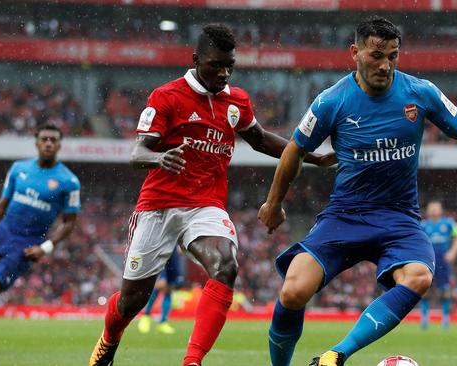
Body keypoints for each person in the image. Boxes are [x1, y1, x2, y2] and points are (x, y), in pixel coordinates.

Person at [258, 16, 457, 366]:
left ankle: (335, 355)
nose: (386, 65)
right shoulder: (332, 101)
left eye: (393, 55)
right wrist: (273, 204)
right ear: (355, 53)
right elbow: (293, 150)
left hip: (398, 218)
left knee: (420, 276)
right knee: (293, 290)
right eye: (376, 55)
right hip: (344, 215)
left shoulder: (419, 92)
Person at [88, 23, 334, 366]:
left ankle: (192, 361)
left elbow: (261, 139)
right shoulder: (167, 96)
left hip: (205, 206)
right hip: (158, 206)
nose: (223, 73)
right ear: (195, 59)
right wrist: (159, 157)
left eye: (229, 65)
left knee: (226, 264)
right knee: (132, 300)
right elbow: (136, 153)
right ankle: (109, 339)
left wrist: (314, 156)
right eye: (215, 65)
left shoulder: (237, 101)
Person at [0, 124, 80, 355]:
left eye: (53, 140)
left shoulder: (69, 182)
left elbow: (70, 223)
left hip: (27, 243)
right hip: (1, 232)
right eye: (45, 139)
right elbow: (0, 207)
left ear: (60, 145)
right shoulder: (19, 169)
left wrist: (46, 247)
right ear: (37, 142)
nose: (49, 143)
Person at [420, 200, 457, 330]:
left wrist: (453, 252)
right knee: (424, 288)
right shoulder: (422, 225)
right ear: (427, 211)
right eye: (431, 208)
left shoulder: (449, 223)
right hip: (428, 260)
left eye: (436, 208)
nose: (433, 210)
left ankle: (445, 318)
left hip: (443, 260)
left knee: (444, 289)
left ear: (440, 210)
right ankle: (425, 318)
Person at [137, 247, 185, 335]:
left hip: (173, 252)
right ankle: (146, 316)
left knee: (169, 288)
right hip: (163, 249)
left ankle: (163, 322)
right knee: (160, 284)